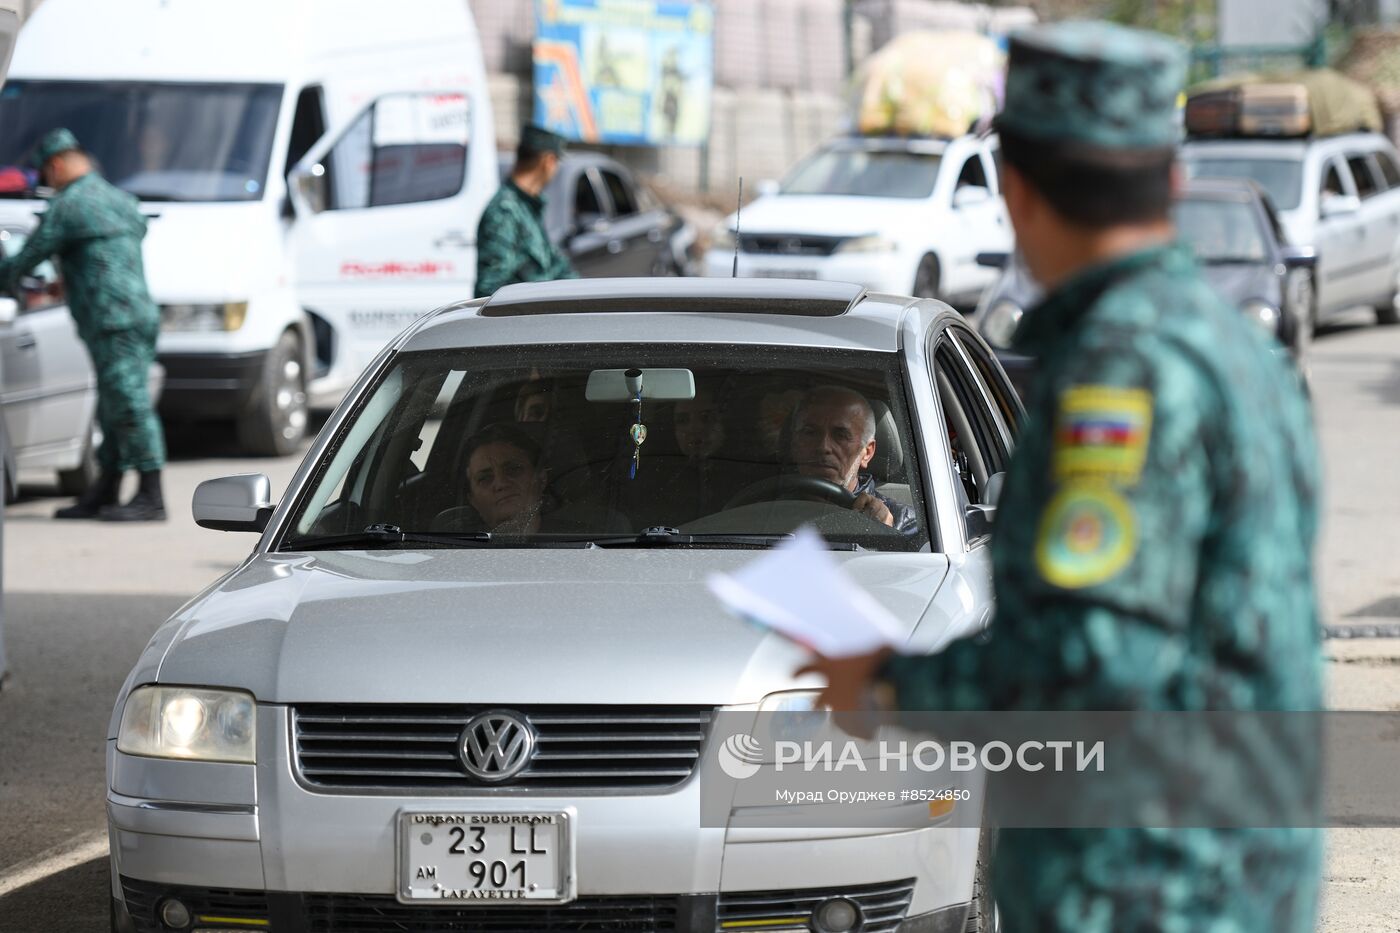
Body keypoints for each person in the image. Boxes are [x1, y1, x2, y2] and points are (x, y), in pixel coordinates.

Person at [799, 22, 1322, 932]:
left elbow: (1093, 662)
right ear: (1174, 180)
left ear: (1015, 189)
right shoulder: (1240, 348)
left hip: (1143, 885)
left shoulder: (1121, 372)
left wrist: (883, 688)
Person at [0, 129, 167, 521]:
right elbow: (112, 249)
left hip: (112, 320)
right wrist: (74, 277)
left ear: (55, 167)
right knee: (112, 408)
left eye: (46, 175)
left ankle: (152, 496)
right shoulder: (120, 200)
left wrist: (7, 275)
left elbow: (28, 257)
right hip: (138, 313)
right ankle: (105, 490)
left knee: (129, 405)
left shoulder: (69, 205)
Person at [789, 386, 917, 534]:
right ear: (794, 445)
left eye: (841, 436)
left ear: (867, 452)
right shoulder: (766, 508)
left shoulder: (905, 524)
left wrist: (885, 535)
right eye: (810, 433)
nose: (823, 447)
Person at [474, 125, 578, 298]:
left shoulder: (526, 207)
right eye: (557, 162)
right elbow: (489, 292)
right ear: (548, 161)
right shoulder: (505, 211)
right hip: (519, 322)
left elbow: (555, 266)